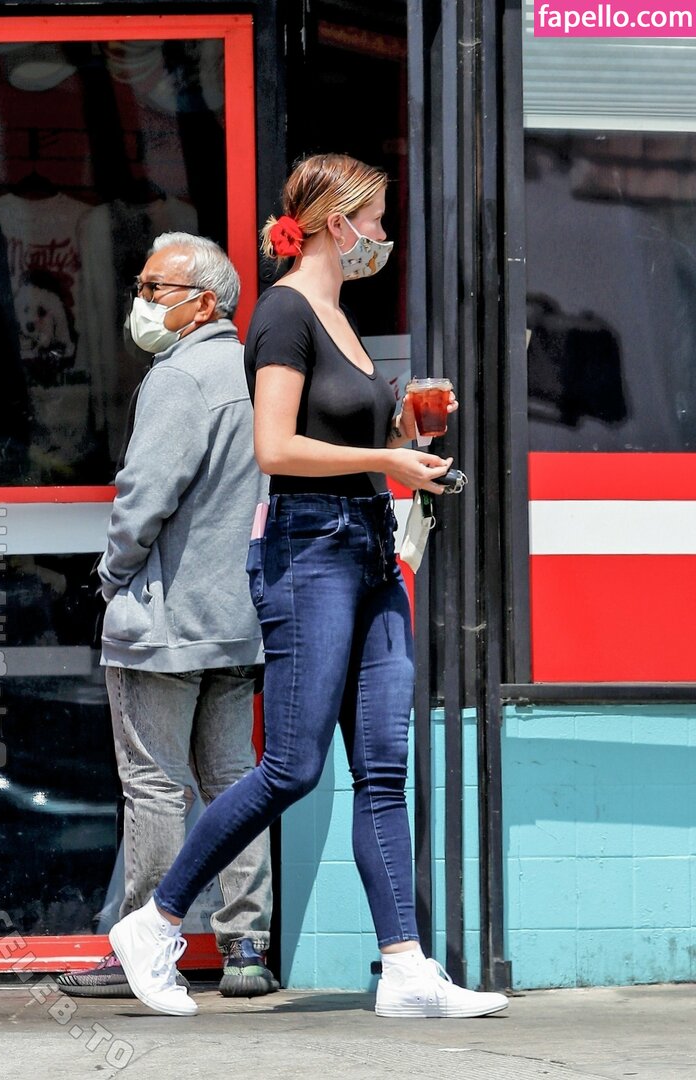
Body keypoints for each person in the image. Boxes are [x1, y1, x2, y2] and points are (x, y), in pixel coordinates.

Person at [108, 155, 509, 1020]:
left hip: (368, 548)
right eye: (376, 220)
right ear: (338, 222)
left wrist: (406, 431)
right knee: (291, 766)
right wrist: (385, 459)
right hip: (309, 550)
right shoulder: (283, 313)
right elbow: (276, 448)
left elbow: (351, 438)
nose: (383, 237)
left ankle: (405, 967)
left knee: (382, 768)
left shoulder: (340, 315)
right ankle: (156, 921)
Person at [57, 232, 277, 1000]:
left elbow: (144, 496)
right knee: (233, 780)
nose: (142, 301)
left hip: (164, 622)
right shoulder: (257, 372)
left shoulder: (179, 378)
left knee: (153, 785)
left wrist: (111, 575)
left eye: (155, 288)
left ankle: (142, 947)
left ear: (205, 303)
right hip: (236, 616)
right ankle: (245, 945)